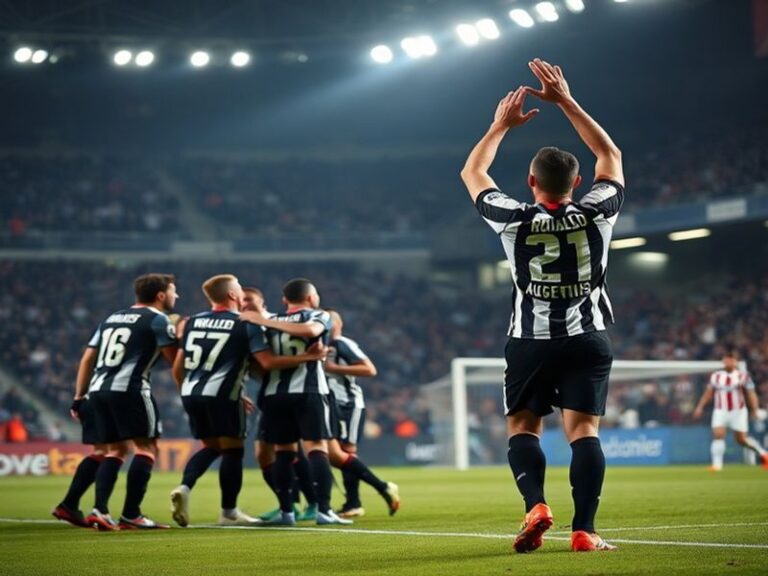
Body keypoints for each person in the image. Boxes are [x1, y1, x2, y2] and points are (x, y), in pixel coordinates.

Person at [460, 59, 624, 553]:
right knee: (583, 431)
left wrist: (500, 125)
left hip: (529, 340)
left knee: (523, 426)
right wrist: (565, 100)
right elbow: (608, 153)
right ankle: (584, 531)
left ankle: (535, 504)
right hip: (587, 337)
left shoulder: (513, 220)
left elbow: (474, 171)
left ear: (531, 183)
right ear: (576, 183)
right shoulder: (599, 212)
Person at [169, 275, 326, 527]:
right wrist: (308, 358)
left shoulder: (190, 323)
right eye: (240, 289)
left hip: (190, 394)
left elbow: (178, 367)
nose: (243, 293)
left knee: (211, 447)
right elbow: (267, 363)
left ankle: (185, 487)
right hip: (224, 395)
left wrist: (186, 389)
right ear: (232, 295)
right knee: (232, 451)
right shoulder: (244, 323)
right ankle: (229, 512)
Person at [240, 278, 349, 526]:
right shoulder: (318, 315)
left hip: (274, 393)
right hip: (308, 390)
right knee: (316, 448)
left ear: (284, 300)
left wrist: (262, 320)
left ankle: (287, 512)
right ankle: (323, 510)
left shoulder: (268, 322)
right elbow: (312, 331)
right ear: (311, 298)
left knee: (283, 452)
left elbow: (260, 361)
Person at [83, 273, 179, 530]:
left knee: (115, 450)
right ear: (160, 296)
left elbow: (88, 357)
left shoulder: (111, 317)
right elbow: (174, 360)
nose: (176, 296)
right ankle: (131, 514)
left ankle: (100, 510)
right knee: (147, 448)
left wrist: (79, 395)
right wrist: (180, 336)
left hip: (98, 389)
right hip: (130, 389)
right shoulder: (158, 320)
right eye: (173, 291)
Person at [241, 287, 319, 523]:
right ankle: (289, 503)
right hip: (269, 395)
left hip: (290, 393)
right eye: (241, 300)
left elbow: (268, 361)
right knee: (264, 454)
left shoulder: (275, 323)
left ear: (262, 302)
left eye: (249, 300)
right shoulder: (246, 327)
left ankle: (312, 502)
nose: (244, 304)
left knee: (289, 450)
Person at [324, 309, 379, 518]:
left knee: (346, 451)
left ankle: (353, 502)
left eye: (328, 321)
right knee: (332, 453)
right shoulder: (317, 346)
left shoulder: (342, 343)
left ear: (338, 325)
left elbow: (369, 369)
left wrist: (333, 368)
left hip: (347, 404)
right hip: (328, 404)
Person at [692, 350, 768, 470]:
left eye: (731, 359)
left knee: (741, 440)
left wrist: (755, 409)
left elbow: (751, 394)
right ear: (723, 361)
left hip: (738, 411)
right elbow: (708, 393)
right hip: (720, 410)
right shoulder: (716, 376)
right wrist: (700, 407)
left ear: (736, 362)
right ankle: (717, 465)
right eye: (726, 359)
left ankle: (763, 453)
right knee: (718, 435)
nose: (728, 362)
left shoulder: (743, 376)